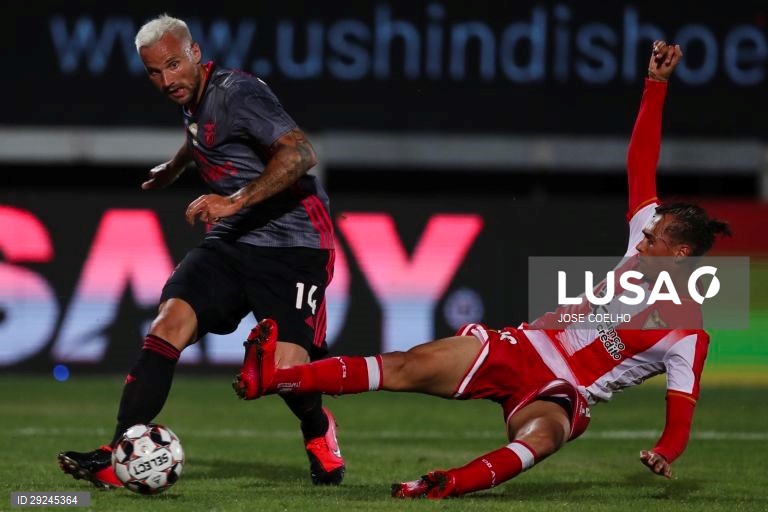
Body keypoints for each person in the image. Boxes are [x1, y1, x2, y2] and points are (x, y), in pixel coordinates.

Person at [231, 41, 732, 498]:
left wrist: (665, 451)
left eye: (653, 237)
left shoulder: (686, 328)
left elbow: (680, 413)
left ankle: (446, 484)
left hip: (564, 392)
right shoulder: (645, 238)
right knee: (407, 367)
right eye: (645, 231)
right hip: (528, 347)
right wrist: (656, 85)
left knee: (544, 437)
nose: (642, 237)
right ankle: (273, 378)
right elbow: (640, 163)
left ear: (681, 255)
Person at [58, 13, 345, 489]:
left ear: (195, 53)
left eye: (173, 65)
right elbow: (204, 138)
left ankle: (318, 428)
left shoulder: (238, 92)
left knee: (287, 372)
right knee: (168, 325)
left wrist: (231, 201)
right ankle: (118, 451)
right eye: (154, 72)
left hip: (293, 243)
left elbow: (300, 154)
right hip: (232, 241)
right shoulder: (194, 98)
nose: (166, 80)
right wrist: (175, 167)